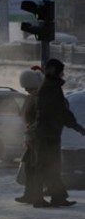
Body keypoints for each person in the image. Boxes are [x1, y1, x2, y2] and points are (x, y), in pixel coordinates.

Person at [30, 58, 85, 208]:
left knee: (51, 167)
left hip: (49, 133)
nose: (63, 74)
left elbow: (60, 111)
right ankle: (40, 199)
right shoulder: (50, 88)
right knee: (44, 168)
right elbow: (61, 112)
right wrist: (77, 127)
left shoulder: (50, 86)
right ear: (54, 71)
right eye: (61, 71)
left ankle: (56, 197)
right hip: (46, 134)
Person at [15, 67, 45, 204]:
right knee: (29, 167)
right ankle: (29, 194)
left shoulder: (40, 98)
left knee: (36, 168)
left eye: (28, 87)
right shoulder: (32, 98)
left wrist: (30, 132)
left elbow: (39, 119)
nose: (26, 90)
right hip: (32, 138)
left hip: (38, 138)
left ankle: (36, 196)